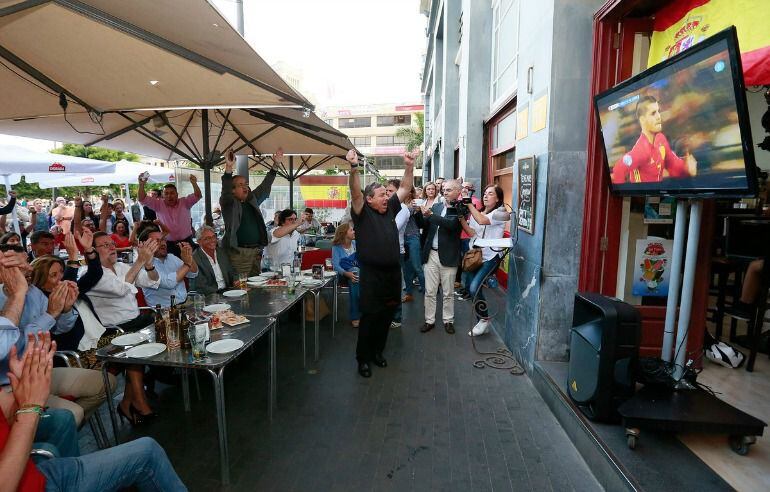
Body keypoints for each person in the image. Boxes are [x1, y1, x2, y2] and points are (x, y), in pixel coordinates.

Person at [0, 331, 188, 491]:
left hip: (32, 469)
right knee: (148, 452)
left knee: (61, 423)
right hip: (34, 482)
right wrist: (29, 409)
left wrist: (21, 397)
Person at [347, 148, 415, 378]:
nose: (387, 197)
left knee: (386, 315)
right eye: (382, 195)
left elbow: (405, 187)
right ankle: (362, 359)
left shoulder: (390, 208)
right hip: (372, 275)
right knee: (370, 317)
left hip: (393, 273)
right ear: (369, 199)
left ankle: (377, 352)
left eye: (387, 194)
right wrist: (354, 168)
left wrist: (409, 165)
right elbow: (355, 193)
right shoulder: (362, 212)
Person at [86, 231, 160, 423]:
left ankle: (128, 403)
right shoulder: (91, 275)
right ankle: (139, 404)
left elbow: (152, 281)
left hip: (134, 322)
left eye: (112, 243)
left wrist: (149, 263)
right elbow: (120, 290)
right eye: (105, 245)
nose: (112, 247)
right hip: (111, 331)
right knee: (135, 346)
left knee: (160, 325)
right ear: (92, 251)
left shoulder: (121, 266)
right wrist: (139, 262)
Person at [458, 185, 510, 336]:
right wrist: (461, 217)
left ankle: (483, 320)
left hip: (491, 256)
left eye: (491, 194)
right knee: (471, 288)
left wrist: (468, 203)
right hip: (476, 256)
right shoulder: (479, 212)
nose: (486, 196)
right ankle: (483, 320)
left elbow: (482, 221)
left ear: (498, 198)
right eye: (485, 193)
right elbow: (471, 232)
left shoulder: (500, 213)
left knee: (474, 287)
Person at [611, 95, 697, 184]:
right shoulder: (641, 151)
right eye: (653, 113)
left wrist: (686, 168)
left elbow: (672, 164)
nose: (658, 116)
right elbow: (618, 169)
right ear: (643, 120)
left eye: (658, 112)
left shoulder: (661, 139)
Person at [415, 179, 463, 334]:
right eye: (443, 189)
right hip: (431, 254)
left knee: (448, 292)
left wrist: (430, 215)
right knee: (430, 291)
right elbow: (424, 225)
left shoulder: (460, 208)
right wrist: (418, 214)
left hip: (449, 256)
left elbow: (451, 225)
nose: (444, 192)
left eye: (448, 189)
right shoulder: (436, 206)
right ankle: (429, 320)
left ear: (458, 191)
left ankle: (448, 320)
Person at [220, 149, 280, 276]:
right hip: (239, 253)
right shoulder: (228, 203)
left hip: (256, 251)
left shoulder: (252, 200)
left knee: (256, 287)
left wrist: (275, 166)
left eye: (246, 184)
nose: (245, 187)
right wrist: (229, 167)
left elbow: (265, 186)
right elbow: (225, 191)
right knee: (240, 286)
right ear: (233, 190)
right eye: (240, 184)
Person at [138, 173, 201, 257]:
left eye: (172, 193)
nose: (169, 196)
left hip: (186, 242)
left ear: (177, 194)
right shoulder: (158, 204)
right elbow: (142, 198)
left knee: (192, 266)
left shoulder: (184, 202)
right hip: (168, 244)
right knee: (173, 267)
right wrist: (141, 184)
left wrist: (194, 183)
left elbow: (198, 195)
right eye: (166, 193)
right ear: (163, 195)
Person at [139, 229, 197, 307]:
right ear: (144, 245)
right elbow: (169, 283)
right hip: (162, 311)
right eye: (157, 241)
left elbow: (193, 273)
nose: (163, 243)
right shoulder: (142, 265)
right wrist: (187, 264)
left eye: (164, 240)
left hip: (185, 304)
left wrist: (189, 256)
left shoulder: (172, 257)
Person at [191, 225, 236, 295]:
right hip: (210, 295)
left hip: (228, 292)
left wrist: (236, 281)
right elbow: (201, 286)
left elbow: (232, 271)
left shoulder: (221, 252)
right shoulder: (195, 258)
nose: (212, 240)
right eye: (207, 238)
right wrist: (221, 294)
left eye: (213, 237)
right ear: (199, 242)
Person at [331, 222, 360, 328]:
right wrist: (347, 273)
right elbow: (336, 266)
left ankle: (355, 315)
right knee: (355, 272)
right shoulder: (336, 248)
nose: (354, 231)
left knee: (356, 273)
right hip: (342, 275)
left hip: (357, 275)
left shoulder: (356, 244)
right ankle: (358, 314)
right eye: (351, 230)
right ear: (344, 233)